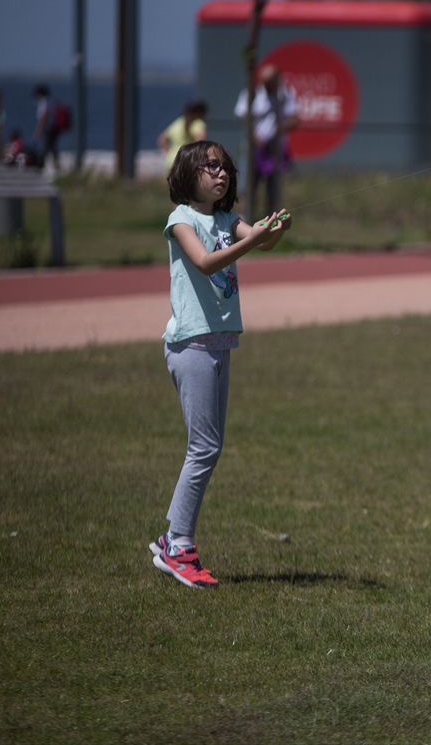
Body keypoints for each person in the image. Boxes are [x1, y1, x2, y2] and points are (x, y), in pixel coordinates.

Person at [150, 140, 292, 588]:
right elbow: (207, 263)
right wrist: (249, 241)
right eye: (209, 167)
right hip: (190, 345)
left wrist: (274, 229)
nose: (220, 173)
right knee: (204, 449)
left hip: (218, 343)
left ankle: (170, 539)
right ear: (187, 174)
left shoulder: (228, 221)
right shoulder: (182, 220)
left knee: (207, 447)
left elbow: (261, 243)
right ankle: (179, 547)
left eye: (225, 167)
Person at [234, 65, 299, 221]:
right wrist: (255, 137)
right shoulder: (252, 94)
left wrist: (277, 130)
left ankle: (271, 223)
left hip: (274, 149)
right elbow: (243, 117)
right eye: (266, 82)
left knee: (273, 190)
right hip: (253, 148)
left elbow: (295, 118)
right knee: (247, 188)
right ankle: (244, 223)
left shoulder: (286, 94)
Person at [159, 100, 209, 173]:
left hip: (172, 161)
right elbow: (200, 144)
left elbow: (162, 139)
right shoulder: (198, 123)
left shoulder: (179, 122)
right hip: (187, 162)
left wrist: (169, 153)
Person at [33, 84, 65, 172]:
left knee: (45, 146)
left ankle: (40, 164)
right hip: (54, 128)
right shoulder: (53, 100)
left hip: (49, 128)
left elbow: (44, 116)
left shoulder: (44, 102)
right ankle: (56, 164)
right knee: (51, 146)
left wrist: (38, 130)